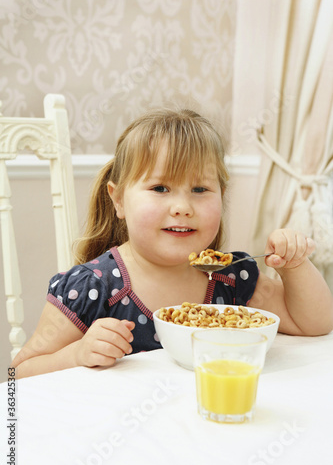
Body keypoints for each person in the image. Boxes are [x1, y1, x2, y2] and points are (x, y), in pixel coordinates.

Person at [12, 108, 333, 378]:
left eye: (199, 189)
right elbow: (20, 372)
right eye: (161, 188)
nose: (183, 206)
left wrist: (294, 266)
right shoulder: (94, 287)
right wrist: (77, 354)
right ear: (119, 200)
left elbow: (314, 324)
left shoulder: (232, 278)